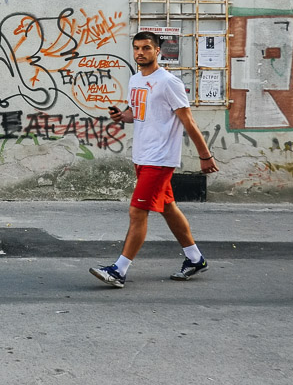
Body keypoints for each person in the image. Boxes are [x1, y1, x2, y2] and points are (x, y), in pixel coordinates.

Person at [89, 31, 219, 288]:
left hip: (160, 158)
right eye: (137, 48)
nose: (140, 52)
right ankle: (195, 259)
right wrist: (122, 116)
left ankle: (119, 270)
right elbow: (136, 114)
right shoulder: (136, 79)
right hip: (142, 155)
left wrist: (205, 156)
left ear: (157, 51)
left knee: (137, 211)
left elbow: (188, 121)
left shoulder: (169, 82)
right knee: (168, 207)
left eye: (146, 48)